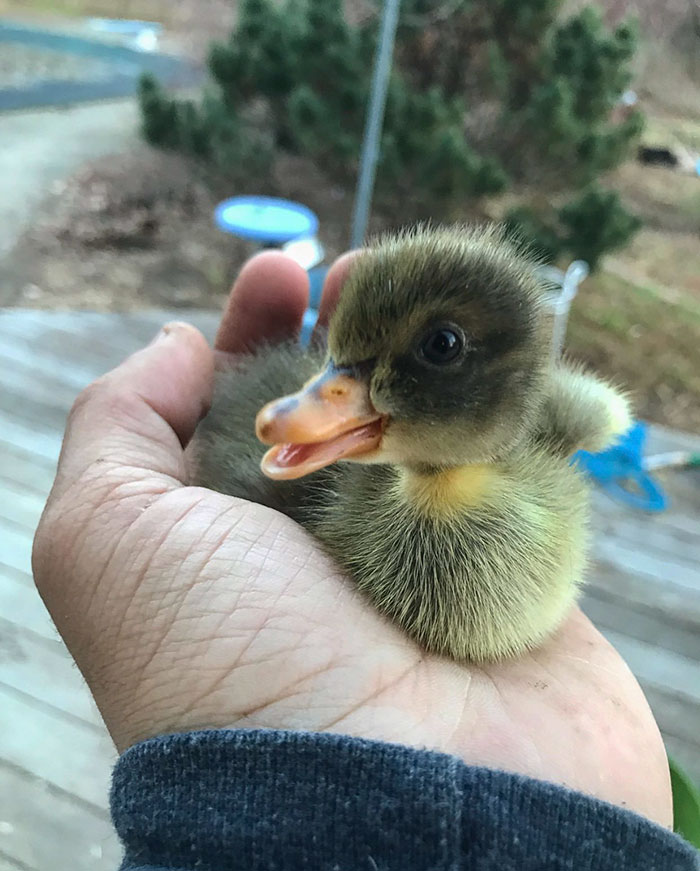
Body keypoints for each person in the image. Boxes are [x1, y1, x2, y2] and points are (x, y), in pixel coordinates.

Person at [32, 252, 698, 870]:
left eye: (441, 347)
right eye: (338, 366)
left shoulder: (533, 437)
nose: (304, 405)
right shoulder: (323, 496)